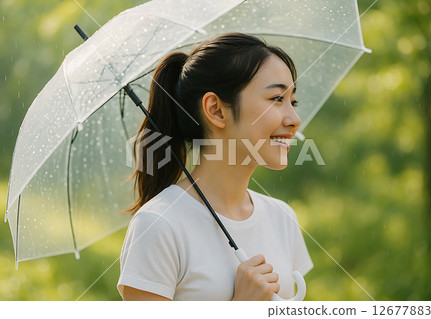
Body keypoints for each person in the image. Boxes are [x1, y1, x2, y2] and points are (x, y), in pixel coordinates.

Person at [117, 33, 313, 301]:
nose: (294, 119)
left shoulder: (282, 218)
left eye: (293, 101)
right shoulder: (158, 226)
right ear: (216, 110)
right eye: (277, 98)